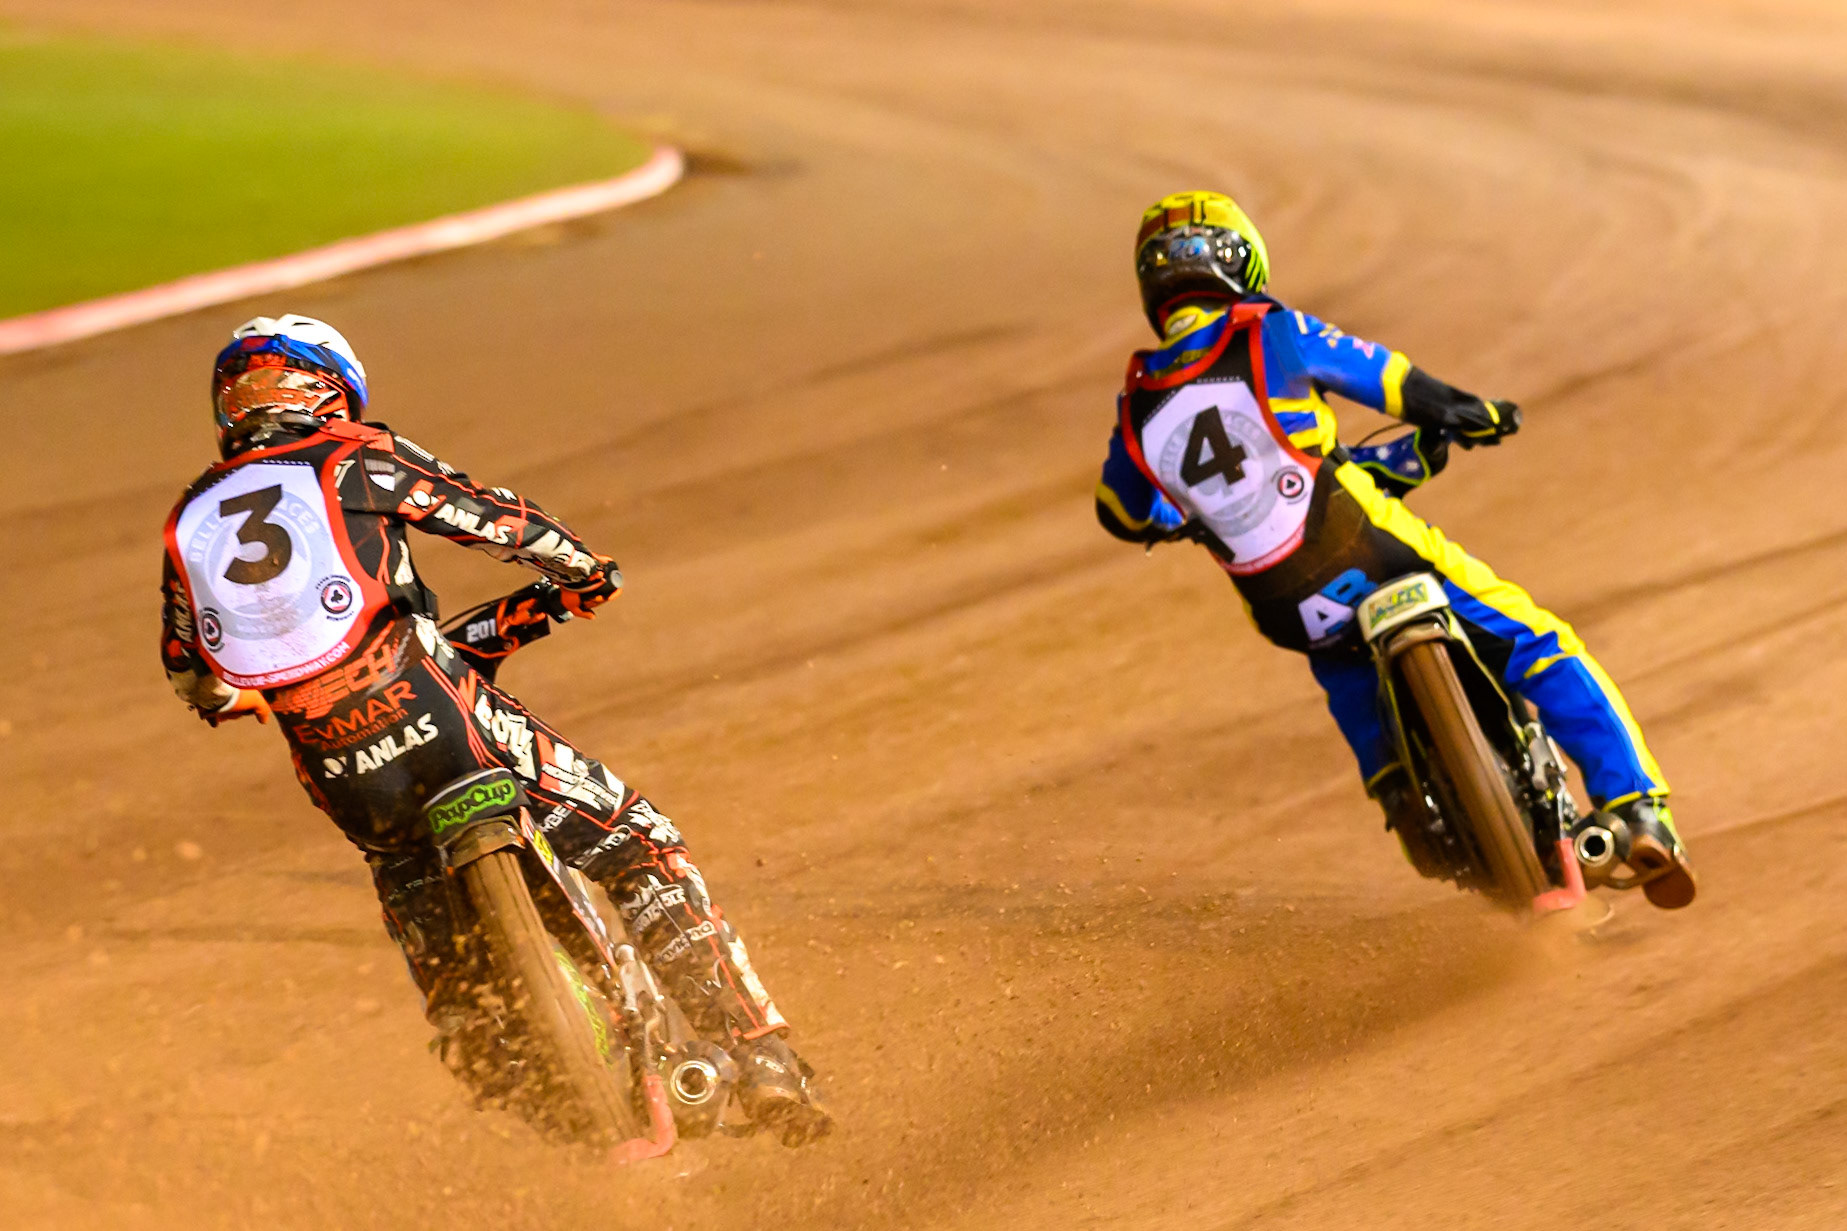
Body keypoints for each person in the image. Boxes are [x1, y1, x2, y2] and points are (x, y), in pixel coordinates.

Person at [159, 315, 832, 1143]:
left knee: (433, 941)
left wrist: (265, 694)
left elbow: (194, 675)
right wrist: (578, 570)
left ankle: (501, 1066)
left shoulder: (190, 516)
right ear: (331, 388)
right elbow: (489, 518)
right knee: (637, 842)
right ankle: (759, 1055)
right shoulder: (354, 455)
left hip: (344, 776)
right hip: (448, 723)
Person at [1096, 192, 1696, 909]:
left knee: (1343, 673)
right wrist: (1464, 410)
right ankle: (1635, 807)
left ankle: (1411, 810)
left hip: (1285, 605)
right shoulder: (1267, 330)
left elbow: (1120, 511)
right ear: (1242, 260)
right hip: (1367, 544)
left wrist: (1184, 514)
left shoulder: (1137, 400)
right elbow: (1387, 378)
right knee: (1538, 639)